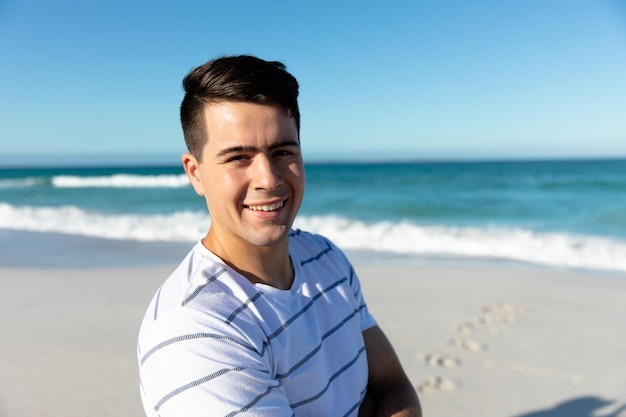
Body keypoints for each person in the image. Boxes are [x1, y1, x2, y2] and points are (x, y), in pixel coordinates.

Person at [137, 55, 421, 417]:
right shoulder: (194, 330)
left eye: (282, 151)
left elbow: (392, 384)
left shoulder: (323, 256)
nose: (268, 179)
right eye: (238, 157)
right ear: (195, 173)